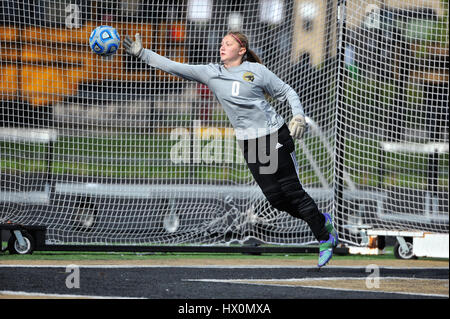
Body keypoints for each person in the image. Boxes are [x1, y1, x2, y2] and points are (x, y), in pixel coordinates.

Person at [124, 31, 338, 267]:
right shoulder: (212, 73)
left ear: (242, 50)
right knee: (276, 200)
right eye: (222, 43)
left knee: (292, 191)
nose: (222, 46)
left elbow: (287, 91)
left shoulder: (257, 72)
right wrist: (142, 53)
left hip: (274, 134)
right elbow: (175, 66)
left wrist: (298, 116)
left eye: (228, 43)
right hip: (250, 143)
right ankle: (321, 221)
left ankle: (324, 239)